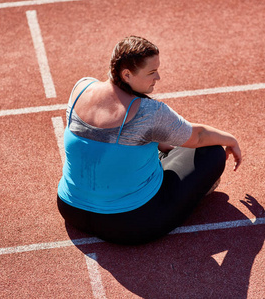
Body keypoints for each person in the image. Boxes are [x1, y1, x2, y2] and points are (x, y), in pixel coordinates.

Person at [57, 36, 242, 245]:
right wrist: (231, 140)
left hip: (71, 209)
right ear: (127, 74)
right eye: (152, 72)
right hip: (129, 224)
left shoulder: (81, 88)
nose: (158, 77)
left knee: (148, 145)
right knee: (212, 152)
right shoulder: (149, 112)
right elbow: (197, 135)